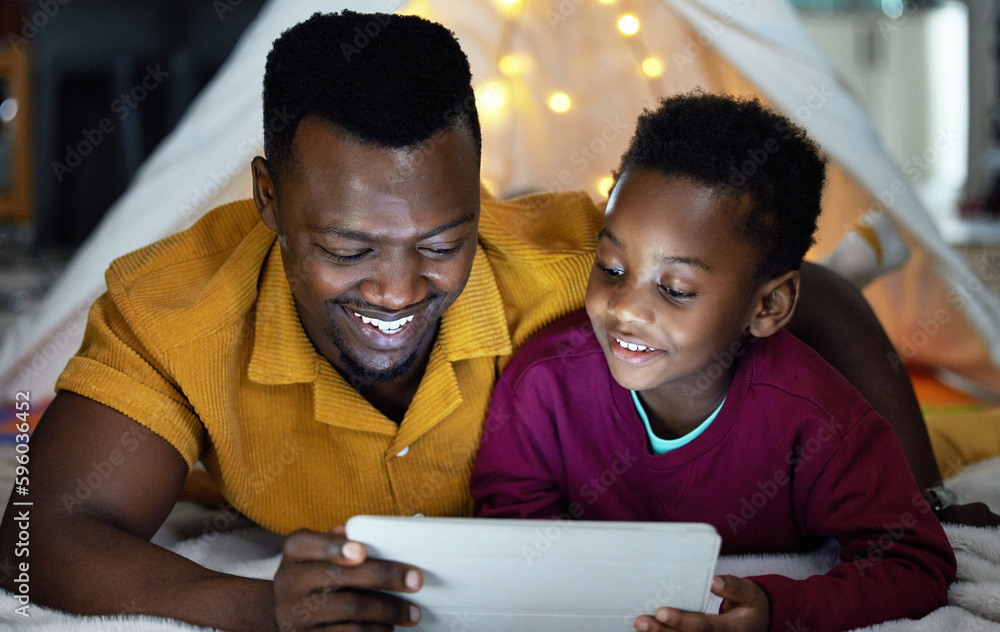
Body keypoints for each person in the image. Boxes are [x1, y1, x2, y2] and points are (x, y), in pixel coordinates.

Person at [0, 10, 988, 632]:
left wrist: (922, 492)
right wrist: (253, 602)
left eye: (440, 241)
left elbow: (811, 290)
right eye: (346, 246)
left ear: (477, 194)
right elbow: (39, 536)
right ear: (267, 197)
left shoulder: (575, 269)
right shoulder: (177, 299)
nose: (395, 288)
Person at [469, 93, 956, 632]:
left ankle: (851, 263)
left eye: (675, 290)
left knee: (860, 329)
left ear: (768, 306)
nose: (626, 308)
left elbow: (916, 562)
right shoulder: (542, 385)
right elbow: (512, 537)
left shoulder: (818, 420)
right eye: (610, 267)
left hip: (828, 348)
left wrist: (776, 611)